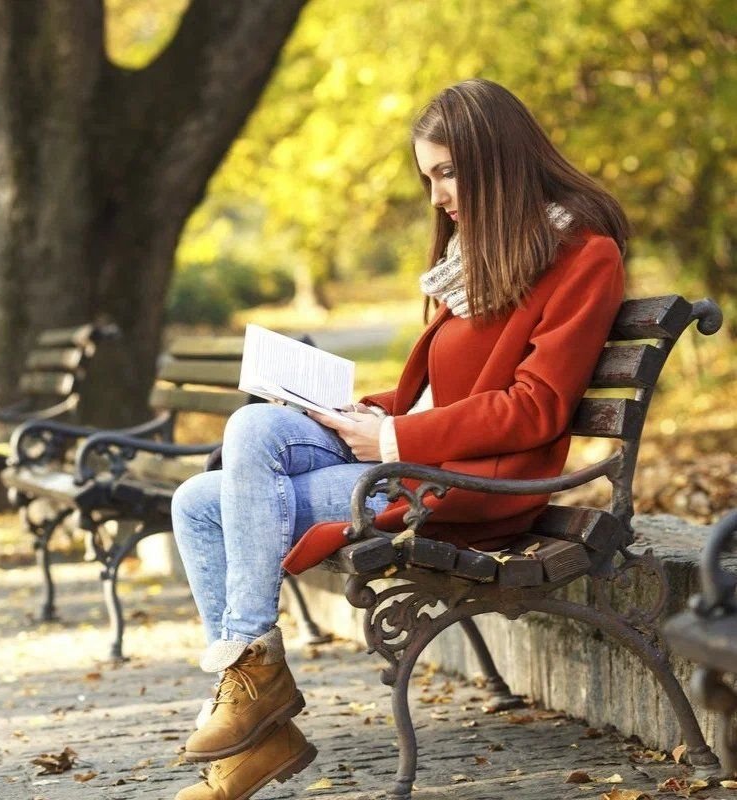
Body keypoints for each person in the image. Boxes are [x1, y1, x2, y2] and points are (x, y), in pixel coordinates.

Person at [169, 77, 629, 800]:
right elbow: (439, 391)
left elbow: (535, 407)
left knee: (219, 481)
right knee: (205, 488)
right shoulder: (479, 259)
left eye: (447, 172)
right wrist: (350, 412)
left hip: (474, 486)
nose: (439, 196)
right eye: (429, 177)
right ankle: (256, 701)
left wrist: (393, 436)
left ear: (497, 159)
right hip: (421, 458)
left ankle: (253, 693)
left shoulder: (582, 255)